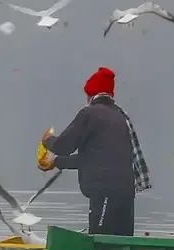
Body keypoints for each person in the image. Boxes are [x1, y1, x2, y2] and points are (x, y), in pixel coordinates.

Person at [40, 66, 151, 236]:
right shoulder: (120, 117)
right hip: (126, 193)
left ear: (91, 94)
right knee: (122, 243)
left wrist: (47, 140)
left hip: (105, 190)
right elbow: (92, 159)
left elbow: (63, 147)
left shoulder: (89, 114)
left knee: (100, 241)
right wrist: (56, 162)